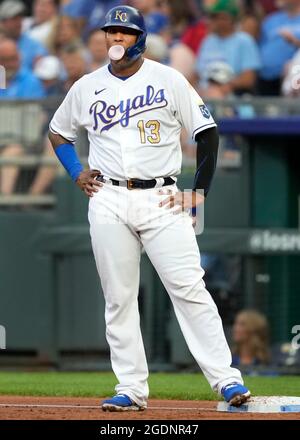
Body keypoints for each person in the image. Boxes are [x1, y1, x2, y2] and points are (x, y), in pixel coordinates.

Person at [48, 4, 251, 411]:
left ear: (139, 38)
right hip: (107, 195)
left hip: (161, 195)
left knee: (190, 288)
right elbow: (58, 131)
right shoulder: (87, 86)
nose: (115, 38)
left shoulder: (167, 78)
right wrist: (75, 171)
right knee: (118, 296)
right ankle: (131, 388)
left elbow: (207, 131)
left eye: (123, 32)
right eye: (111, 32)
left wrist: (200, 191)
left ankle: (227, 380)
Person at [196, 0, 261, 95]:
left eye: (221, 18)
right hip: (204, 92)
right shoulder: (208, 41)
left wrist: (228, 86)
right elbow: (196, 74)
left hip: (233, 95)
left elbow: (248, 79)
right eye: (213, 17)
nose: (215, 21)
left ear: (232, 20)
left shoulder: (244, 41)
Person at [0, 0, 48, 70]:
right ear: (3, 22)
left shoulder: (34, 45)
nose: (18, 23)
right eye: (14, 19)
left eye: (20, 18)